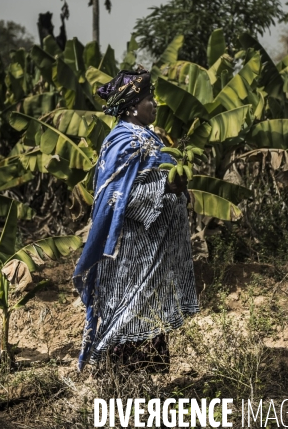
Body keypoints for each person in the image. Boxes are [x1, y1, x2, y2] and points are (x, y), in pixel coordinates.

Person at [73, 69, 199, 372]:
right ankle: (119, 378)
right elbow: (118, 197)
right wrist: (166, 187)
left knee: (152, 307)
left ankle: (147, 380)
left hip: (155, 245)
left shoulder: (149, 136)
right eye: (148, 99)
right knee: (132, 307)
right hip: (134, 248)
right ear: (131, 105)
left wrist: (177, 187)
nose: (154, 104)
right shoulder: (123, 140)